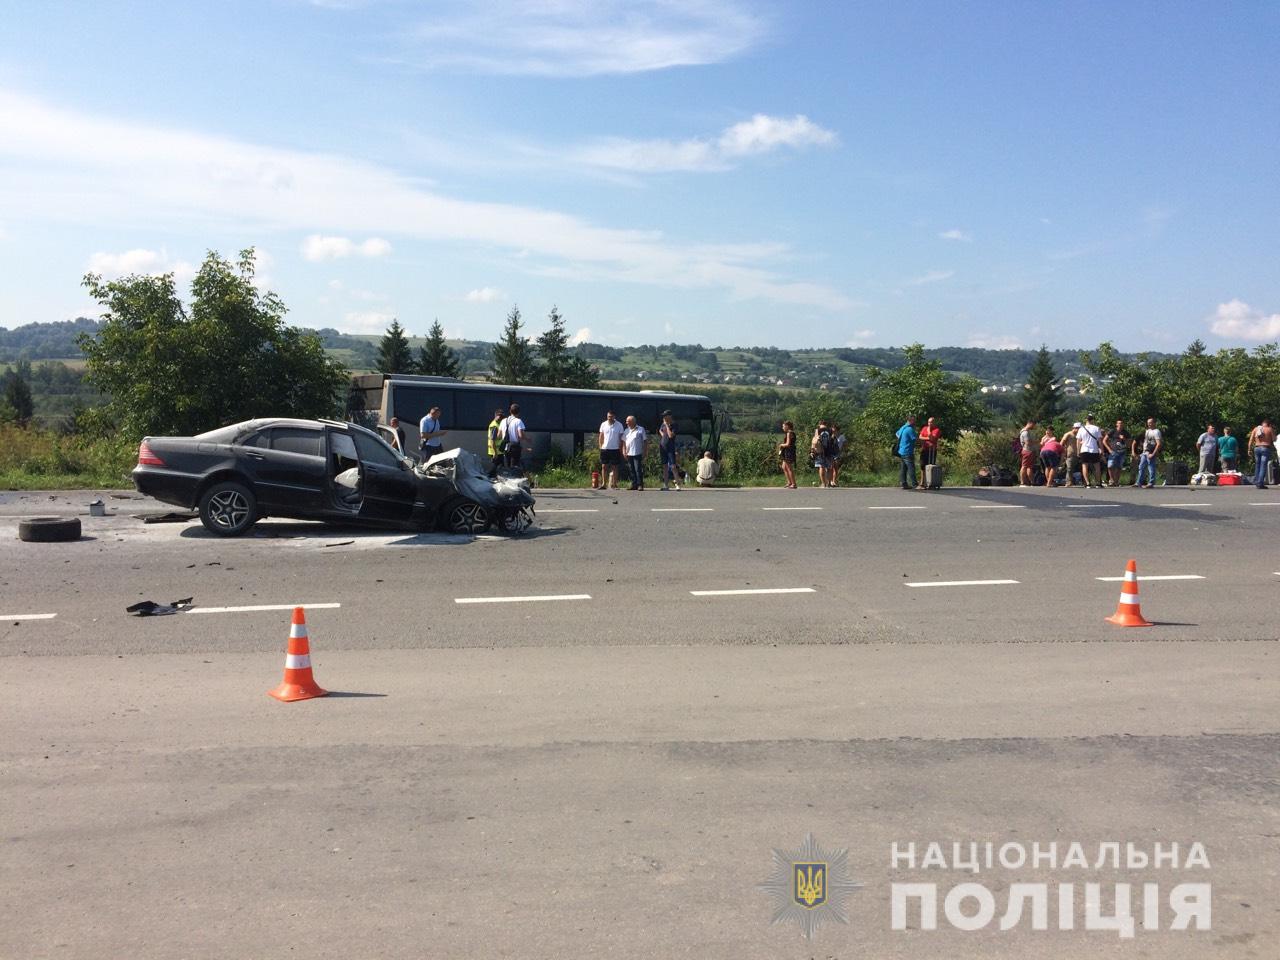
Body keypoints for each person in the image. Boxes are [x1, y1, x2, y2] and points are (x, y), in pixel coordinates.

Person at [598, 410, 623, 490]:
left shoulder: (619, 425)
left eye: (611, 416)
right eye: (608, 416)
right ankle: (603, 484)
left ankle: (614, 484)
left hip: (615, 449)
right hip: (604, 449)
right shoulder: (603, 424)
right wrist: (600, 446)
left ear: (614, 417)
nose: (609, 418)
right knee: (604, 466)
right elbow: (601, 436)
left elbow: (621, 438)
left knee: (615, 467)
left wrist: (620, 448)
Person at [1103, 419, 1133, 487]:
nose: (1120, 425)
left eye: (1122, 423)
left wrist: (1124, 439)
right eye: (1119, 423)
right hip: (1113, 451)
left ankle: (1116, 481)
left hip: (1122, 452)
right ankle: (1111, 480)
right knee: (1110, 466)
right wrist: (1109, 449)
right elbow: (1104, 441)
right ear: (1116, 424)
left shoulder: (1126, 433)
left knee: (1119, 467)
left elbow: (1129, 444)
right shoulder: (1112, 431)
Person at [1076, 416, 1104, 488]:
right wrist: (1102, 450)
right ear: (1092, 420)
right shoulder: (1096, 428)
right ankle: (1098, 483)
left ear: (1086, 420)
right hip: (1094, 449)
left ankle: (1088, 483)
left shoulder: (1081, 429)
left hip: (1084, 449)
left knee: (1085, 466)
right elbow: (1100, 441)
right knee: (1097, 466)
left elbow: (1078, 441)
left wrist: (1078, 451)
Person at [1249, 418, 1276, 489]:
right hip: (1265, 448)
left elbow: (1251, 439)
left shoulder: (1256, 429)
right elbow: (1274, 439)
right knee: (1263, 465)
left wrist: (1249, 449)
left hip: (1256, 448)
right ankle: (1260, 483)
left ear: (1262, 423)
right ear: (1269, 424)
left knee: (1257, 465)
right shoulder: (1269, 429)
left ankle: (1256, 481)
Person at [622, 415, 647, 490]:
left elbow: (645, 441)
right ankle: (634, 484)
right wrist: (624, 451)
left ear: (633, 421)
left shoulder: (641, 429)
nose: (626, 423)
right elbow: (623, 442)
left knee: (638, 470)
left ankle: (640, 485)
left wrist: (645, 452)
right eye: (626, 421)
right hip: (629, 453)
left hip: (637, 453)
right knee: (631, 470)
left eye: (628, 421)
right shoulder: (626, 431)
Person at [1137, 417, 1162, 488]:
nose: (1149, 424)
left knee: (1151, 467)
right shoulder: (1147, 431)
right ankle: (1139, 482)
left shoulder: (1156, 431)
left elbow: (1158, 443)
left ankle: (1151, 482)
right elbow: (1146, 442)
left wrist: (1154, 453)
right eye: (1148, 423)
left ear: (1154, 423)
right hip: (1145, 452)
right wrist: (1143, 451)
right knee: (1141, 467)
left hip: (1151, 452)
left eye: (1150, 423)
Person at [658, 410, 680, 491]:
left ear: (670, 416)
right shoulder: (663, 424)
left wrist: (667, 426)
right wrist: (663, 435)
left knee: (673, 466)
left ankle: (677, 484)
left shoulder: (674, 425)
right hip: (663, 446)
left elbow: (671, 436)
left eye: (665, 415)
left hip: (670, 447)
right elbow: (660, 430)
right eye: (663, 416)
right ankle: (666, 485)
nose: (664, 417)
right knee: (664, 466)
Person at [811, 419, 837, 488]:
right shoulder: (830, 430)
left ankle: (823, 484)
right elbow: (833, 441)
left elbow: (814, 441)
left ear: (819, 424)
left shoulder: (817, 430)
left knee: (821, 467)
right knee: (829, 468)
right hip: (829, 451)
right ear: (826, 424)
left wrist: (812, 451)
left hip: (820, 451)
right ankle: (828, 483)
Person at [917, 416, 941, 488]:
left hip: (932, 450)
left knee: (931, 465)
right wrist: (928, 438)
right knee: (922, 465)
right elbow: (920, 437)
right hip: (924, 449)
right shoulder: (924, 428)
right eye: (929, 422)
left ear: (934, 423)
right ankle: (922, 482)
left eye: (931, 422)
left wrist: (928, 432)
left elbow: (933, 439)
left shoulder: (937, 430)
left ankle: (930, 482)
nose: (929, 424)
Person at [895, 416, 918, 490]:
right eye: (914, 421)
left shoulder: (903, 427)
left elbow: (897, 434)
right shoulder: (910, 429)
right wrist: (925, 441)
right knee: (911, 468)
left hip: (901, 451)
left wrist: (902, 440)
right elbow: (915, 439)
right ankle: (915, 484)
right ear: (911, 421)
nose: (915, 422)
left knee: (903, 468)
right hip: (908, 451)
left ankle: (904, 484)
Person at [502, 403, 525, 471]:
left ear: (510, 411)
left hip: (506, 446)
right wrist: (527, 439)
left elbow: (499, 435)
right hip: (515, 447)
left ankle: (508, 480)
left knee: (508, 466)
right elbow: (520, 436)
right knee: (515, 467)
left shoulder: (503, 421)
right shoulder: (518, 421)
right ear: (518, 412)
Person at [1017, 420, 1038, 486]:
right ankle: (1022, 482)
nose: (1034, 427)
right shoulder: (1025, 433)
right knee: (1024, 466)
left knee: (1029, 467)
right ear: (1030, 423)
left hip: (1030, 451)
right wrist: (1037, 442)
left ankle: (1032, 482)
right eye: (1033, 425)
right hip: (1027, 451)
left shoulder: (1027, 432)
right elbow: (1027, 442)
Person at [486, 408, 505, 478]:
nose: (501, 418)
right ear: (496, 416)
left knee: (499, 467)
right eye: (500, 416)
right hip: (495, 452)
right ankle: (487, 477)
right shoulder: (494, 426)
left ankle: (491, 478)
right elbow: (492, 440)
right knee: (496, 468)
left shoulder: (498, 423)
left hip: (499, 451)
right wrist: (495, 453)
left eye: (502, 417)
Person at [778, 420, 797, 489]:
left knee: (789, 468)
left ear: (787, 426)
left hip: (789, 452)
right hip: (787, 451)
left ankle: (794, 484)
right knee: (784, 467)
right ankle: (789, 482)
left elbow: (788, 444)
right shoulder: (789, 433)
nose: (782, 427)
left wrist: (781, 445)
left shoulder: (789, 433)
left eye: (783, 426)